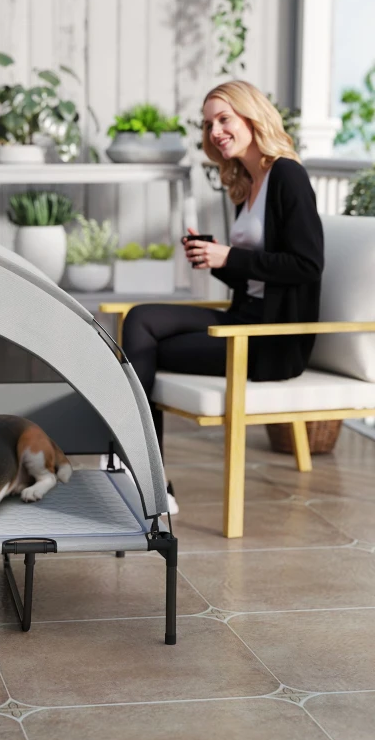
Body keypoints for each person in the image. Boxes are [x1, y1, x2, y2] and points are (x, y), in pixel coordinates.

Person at [122, 80, 324, 515]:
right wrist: (216, 262)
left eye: (224, 119)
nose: (215, 131)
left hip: (273, 340)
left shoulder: (287, 174)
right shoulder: (245, 183)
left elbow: (307, 266)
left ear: (252, 117)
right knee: (140, 319)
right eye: (209, 123)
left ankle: (143, 480)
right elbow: (255, 278)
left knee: (147, 349)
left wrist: (229, 255)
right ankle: (145, 473)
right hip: (244, 319)